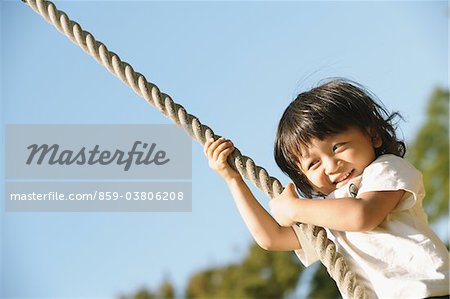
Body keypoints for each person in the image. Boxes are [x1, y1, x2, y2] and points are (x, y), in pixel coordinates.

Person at [203, 78, 449, 299]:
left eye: (338, 147)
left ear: (372, 136)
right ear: (304, 177)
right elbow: (272, 238)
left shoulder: (385, 170)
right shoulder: (327, 214)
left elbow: (362, 215)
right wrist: (233, 180)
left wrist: (294, 208)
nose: (331, 166)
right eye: (313, 163)